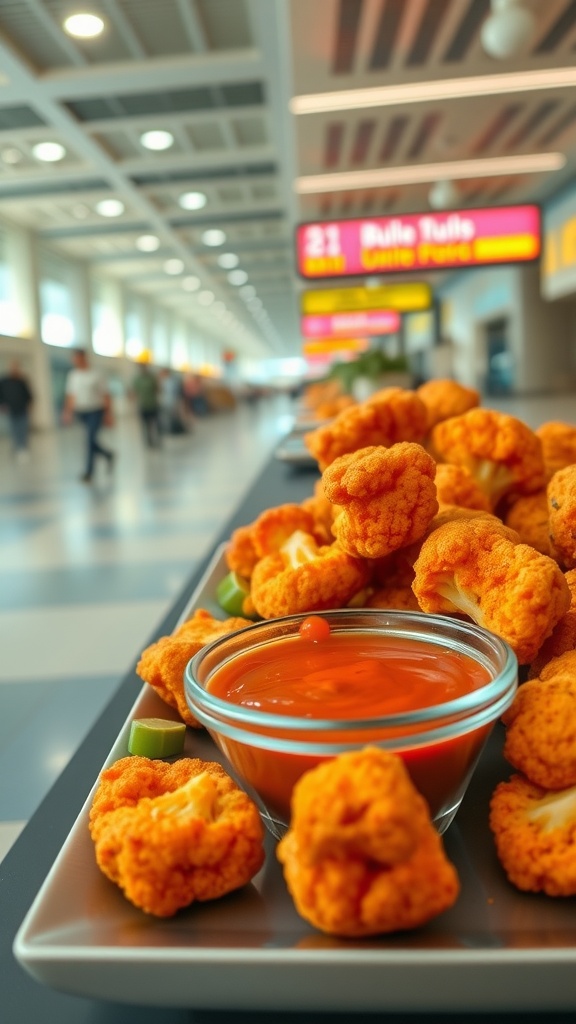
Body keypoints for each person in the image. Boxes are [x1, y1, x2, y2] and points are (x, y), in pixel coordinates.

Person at [62, 348, 114, 482]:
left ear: (84, 358)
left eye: (78, 358)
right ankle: (108, 455)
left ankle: (89, 472)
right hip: (82, 412)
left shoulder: (96, 374)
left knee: (89, 440)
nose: (75, 361)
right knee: (91, 440)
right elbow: (71, 395)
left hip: (96, 410)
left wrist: (108, 414)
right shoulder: (73, 375)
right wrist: (68, 412)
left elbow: (106, 395)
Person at [0, 358, 33, 462]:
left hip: (22, 409)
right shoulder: (4, 381)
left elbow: (29, 395)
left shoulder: (22, 380)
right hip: (11, 409)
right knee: (14, 429)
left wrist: (29, 405)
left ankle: (22, 448)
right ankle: (17, 447)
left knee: (22, 429)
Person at [131, 362, 161, 448]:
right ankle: (149, 441)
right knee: (146, 425)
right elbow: (134, 392)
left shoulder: (152, 378)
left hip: (153, 404)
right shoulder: (137, 379)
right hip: (143, 406)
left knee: (156, 424)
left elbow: (157, 389)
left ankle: (158, 440)